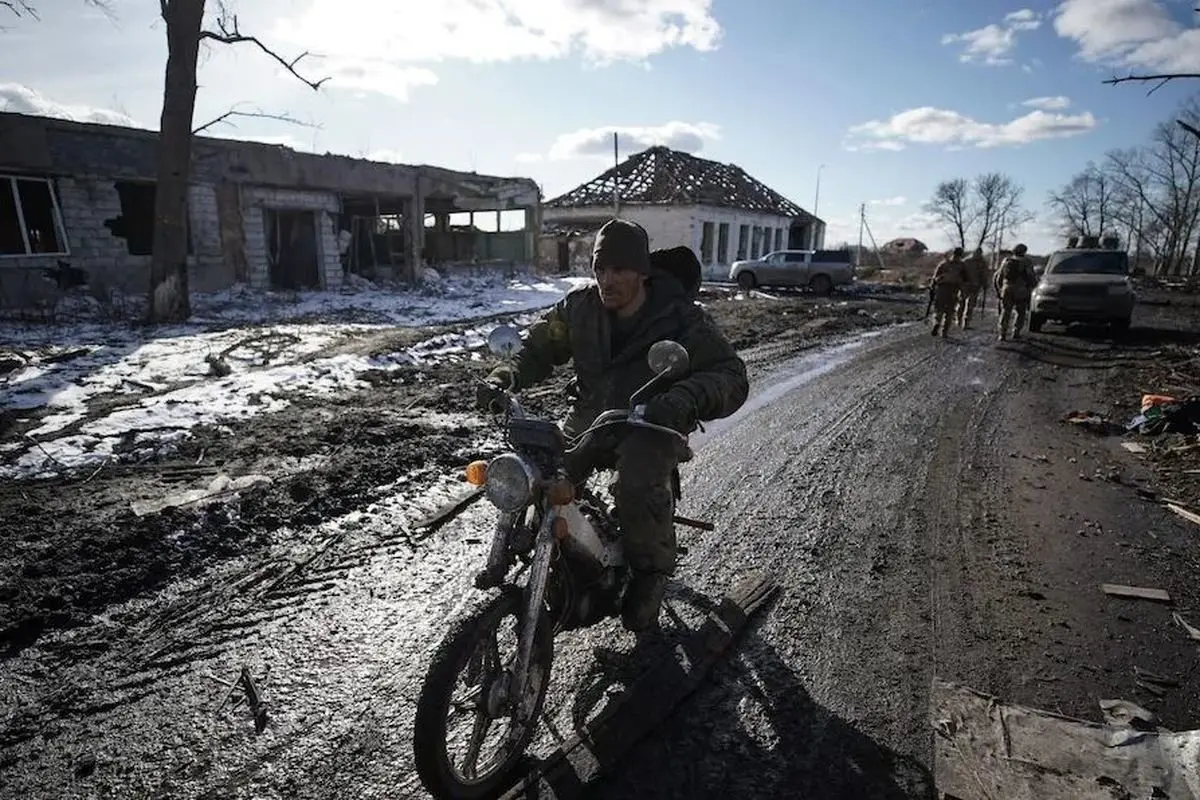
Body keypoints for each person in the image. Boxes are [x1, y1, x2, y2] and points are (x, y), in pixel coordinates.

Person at [476, 219, 749, 633]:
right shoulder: (578, 309)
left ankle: (649, 574)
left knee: (637, 484)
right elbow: (537, 347)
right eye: (600, 269)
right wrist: (506, 376)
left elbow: (731, 375)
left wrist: (681, 399)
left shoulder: (679, 318)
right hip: (590, 419)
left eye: (620, 269)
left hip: (651, 424)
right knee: (539, 475)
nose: (608, 279)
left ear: (642, 272)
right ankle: (552, 559)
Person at [994, 243, 1038, 341]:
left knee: (1005, 312)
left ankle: (1002, 333)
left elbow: (998, 277)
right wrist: (1032, 287)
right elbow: (1031, 277)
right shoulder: (1027, 262)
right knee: (1020, 312)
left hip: (1007, 289)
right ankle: (1016, 332)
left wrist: (999, 290)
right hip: (1021, 291)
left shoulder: (1006, 261)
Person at [929, 247, 966, 338]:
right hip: (953, 290)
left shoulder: (944, 264)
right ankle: (944, 331)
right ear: (961, 255)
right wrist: (963, 291)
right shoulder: (962, 266)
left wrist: (932, 288)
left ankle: (937, 323)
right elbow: (965, 280)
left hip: (942, 289)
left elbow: (934, 277)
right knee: (949, 312)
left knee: (939, 309)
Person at [956, 247, 988, 329]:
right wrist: (985, 285)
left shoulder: (966, 261)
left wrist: (985, 284)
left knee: (965, 304)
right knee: (966, 304)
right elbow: (984, 276)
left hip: (969, 286)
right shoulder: (980, 263)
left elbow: (984, 275)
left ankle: (961, 321)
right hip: (971, 286)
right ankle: (962, 321)